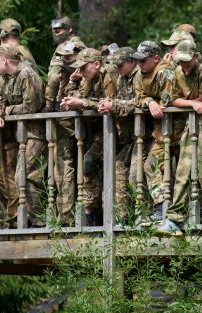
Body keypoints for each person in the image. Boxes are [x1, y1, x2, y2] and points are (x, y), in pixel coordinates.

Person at [164, 39, 202, 233]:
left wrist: (193, 103)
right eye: (181, 61)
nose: (184, 66)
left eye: (187, 61)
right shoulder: (178, 71)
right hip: (191, 123)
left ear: (195, 56)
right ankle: (174, 218)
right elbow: (174, 99)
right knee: (182, 170)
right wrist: (192, 104)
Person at [0, 45, 45, 228]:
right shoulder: (3, 78)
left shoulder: (27, 74)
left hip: (36, 134)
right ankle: (33, 220)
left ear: (5, 60)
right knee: (13, 177)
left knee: (25, 174)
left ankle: (40, 220)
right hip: (19, 135)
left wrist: (7, 110)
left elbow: (32, 106)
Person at [61, 46, 117, 225]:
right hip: (98, 132)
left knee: (90, 161)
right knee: (90, 164)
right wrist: (72, 82)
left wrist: (81, 102)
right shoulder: (88, 78)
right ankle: (91, 213)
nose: (81, 71)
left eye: (84, 67)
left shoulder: (109, 74)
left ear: (97, 63)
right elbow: (77, 97)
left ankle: (95, 214)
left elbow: (109, 101)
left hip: (115, 131)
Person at [130, 41, 174, 223]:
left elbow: (170, 99)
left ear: (156, 58)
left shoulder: (165, 72)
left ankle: (167, 210)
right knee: (149, 166)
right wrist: (150, 102)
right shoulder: (139, 75)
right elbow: (138, 97)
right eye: (138, 60)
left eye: (144, 60)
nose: (140, 64)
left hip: (178, 129)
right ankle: (158, 208)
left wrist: (157, 102)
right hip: (160, 132)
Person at [98, 47, 140, 221]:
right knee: (117, 172)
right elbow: (119, 98)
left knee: (137, 175)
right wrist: (108, 102)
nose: (117, 69)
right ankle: (121, 219)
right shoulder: (123, 78)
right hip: (129, 138)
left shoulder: (139, 75)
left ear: (131, 62)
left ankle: (146, 217)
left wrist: (113, 105)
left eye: (120, 65)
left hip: (145, 135)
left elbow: (139, 101)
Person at [45, 39, 85, 224]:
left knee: (67, 168)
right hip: (70, 122)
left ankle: (68, 218)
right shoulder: (75, 66)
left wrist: (47, 105)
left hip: (75, 121)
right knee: (66, 168)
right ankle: (68, 217)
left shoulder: (87, 68)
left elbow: (53, 80)